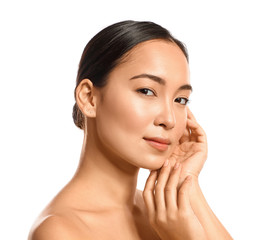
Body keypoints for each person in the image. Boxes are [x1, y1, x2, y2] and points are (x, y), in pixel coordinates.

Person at [28, 20, 233, 240]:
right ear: (89, 98)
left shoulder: (170, 215)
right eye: (146, 91)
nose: (170, 119)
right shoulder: (61, 232)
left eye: (180, 99)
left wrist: (185, 180)